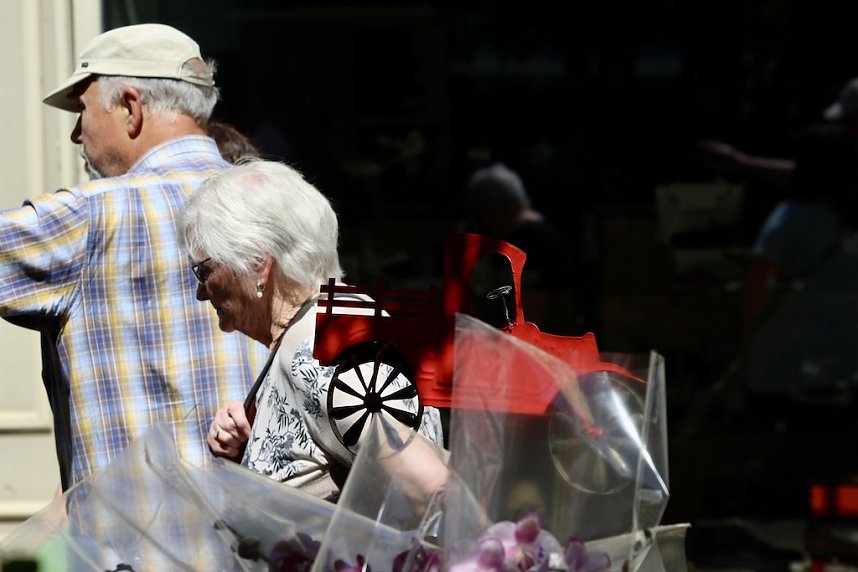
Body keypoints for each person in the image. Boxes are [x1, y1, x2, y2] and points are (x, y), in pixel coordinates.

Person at [0, 23, 266, 490]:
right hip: (273, 550)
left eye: (81, 111)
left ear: (130, 106)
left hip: (138, 550)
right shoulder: (282, 203)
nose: (76, 135)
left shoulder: (89, 217)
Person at [180, 159, 444, 499]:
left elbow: (430, 486)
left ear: (258, 264)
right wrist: (255, 448)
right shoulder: (325, 325)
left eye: (204, 271)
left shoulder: (320, 349)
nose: (201, 291)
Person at [462, 162, 576, 333]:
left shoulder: (529, 240)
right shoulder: (538, 229)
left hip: (546, 343)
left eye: (484, 214)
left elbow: (532, 310)